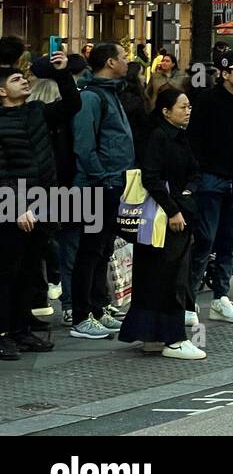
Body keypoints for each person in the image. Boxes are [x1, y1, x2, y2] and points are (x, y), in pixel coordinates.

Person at [116, 87, 207, 360]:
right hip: (162, 219)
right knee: (168, 278)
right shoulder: (158, 137)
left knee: (159, 276)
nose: (188, 111)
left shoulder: (180, 136)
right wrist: (173, 210)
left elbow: (193, 171)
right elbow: (151, 177)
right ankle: (173, 338)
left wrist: (188, 193)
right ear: (166, 111)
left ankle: (152, 336)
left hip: (173, 214)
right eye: (182, 107)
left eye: (189, 106)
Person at [0, 53, 80, 360]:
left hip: (44, 201)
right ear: (2, 91)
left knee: (31, 269)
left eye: (24, 78)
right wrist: (16, 206)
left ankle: (21, 329)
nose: (24, 81)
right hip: (12, 204)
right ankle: (3, 331)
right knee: (7, 270)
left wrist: (62, 75)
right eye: (15, 80)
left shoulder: (36, 111)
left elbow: (73, 105)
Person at [186, 48, 233, 326]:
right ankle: (189, 300)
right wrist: (201, 170)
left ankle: (221, 296)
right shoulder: (206, 101)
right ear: (225, 72)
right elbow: (195, 139)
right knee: (205, 240)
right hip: (213, 177)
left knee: (230, 240)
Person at [69, 43, 134, 340]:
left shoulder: (110, 92)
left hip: (112, 183)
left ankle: (98, 308)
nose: (127, 61)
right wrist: (102, 176)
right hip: (98, 185)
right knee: (90, 250)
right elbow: (84, 145)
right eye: (123, 57)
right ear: (110, 62)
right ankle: (82, 315)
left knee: (103, 248)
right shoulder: (93, 97)